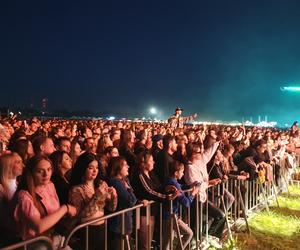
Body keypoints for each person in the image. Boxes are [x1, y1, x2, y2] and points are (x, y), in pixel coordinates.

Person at [13, 155, 76, 249]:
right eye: (40, 171)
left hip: (53, 238)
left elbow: (54, 213)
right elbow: (39, 227)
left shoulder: (50, 185)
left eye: (49, 169)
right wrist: (65, 209)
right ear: (31, 173)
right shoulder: (24, 196)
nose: (46, 174)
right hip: (34, 244)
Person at [69, 152, 117, 250]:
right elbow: (81, 215)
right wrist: (96, 197)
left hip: (102, 227)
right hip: (87, 230)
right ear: (83, 168)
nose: (95, 171)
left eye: (97, 167)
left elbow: (112, 208)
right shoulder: (76, 189)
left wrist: (114, 196)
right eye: (91, 168)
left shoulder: (101, 183)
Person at [108, 156, 145, 250]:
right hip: (118, 225)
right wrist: (129, 190)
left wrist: (131, 192)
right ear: (118, 168)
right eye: (125, 165)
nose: (128, 167)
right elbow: (131, 201)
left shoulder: (125, 180)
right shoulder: (116, 182)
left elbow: (133, 198)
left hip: (125, 223)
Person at [162, 161, 198, 250]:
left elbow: (180, 186)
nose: (183, 174)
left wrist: (189, 185)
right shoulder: (173, 183)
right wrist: (193, 194)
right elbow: (186, 203)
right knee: (168, 241)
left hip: (172, 216)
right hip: (169, 216)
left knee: (169, 240)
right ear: (176, 173)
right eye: (182, 171)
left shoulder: (171, 180)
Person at [0, 153, 24, 247]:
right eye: (18, 162)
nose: (22, 165)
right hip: (12, 237)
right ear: (7, 166)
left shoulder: (19, 184)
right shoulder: (1, 188)